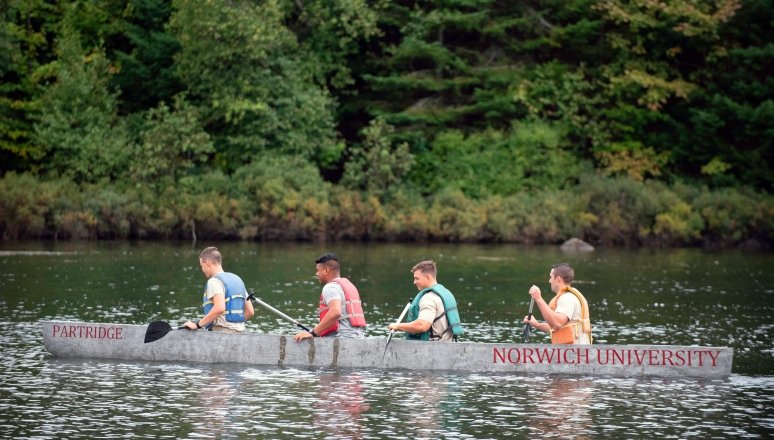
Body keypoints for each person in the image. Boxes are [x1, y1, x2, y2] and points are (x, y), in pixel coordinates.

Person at [293, 253, 366, 341]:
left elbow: (335, 312)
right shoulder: (349, 286)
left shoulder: (330, 287)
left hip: (341, 340)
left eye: (318, 270)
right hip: (359, 339)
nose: (316, 274)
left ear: (326, 270)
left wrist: (312, 333)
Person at [183, 246, 254, 333]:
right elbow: (250, 311)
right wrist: (235, 325)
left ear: (207, 264)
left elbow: (219, 308)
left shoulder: (214, 281)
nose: (202, 269)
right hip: (240, 332)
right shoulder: (237, 280)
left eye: (202, 266)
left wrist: (197, 325)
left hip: (222, 333)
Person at [387, 260, 463, 341]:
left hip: (432, 349)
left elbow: (422, 325)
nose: (414, 282)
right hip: (447, 346)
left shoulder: (429, 298)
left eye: (417, 278)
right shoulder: (446, 293)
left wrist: (397, 326)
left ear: (427, 277)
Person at [522, 263, 592, 344]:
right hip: (576, 353)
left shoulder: (567, 298)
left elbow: (557, 323)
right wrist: (537, 324)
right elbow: (555, 327)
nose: (549, 281)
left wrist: (538, 298)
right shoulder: (569, 296)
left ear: (558, 279)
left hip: (574, 354)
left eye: (551, 277)